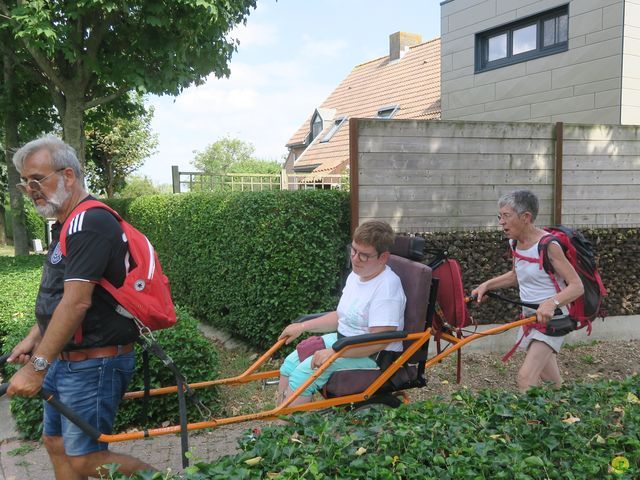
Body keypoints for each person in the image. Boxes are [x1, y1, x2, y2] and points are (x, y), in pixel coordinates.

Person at [7, 136, 154, 479]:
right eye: (25, 182)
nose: (31, 189)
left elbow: (77, 302)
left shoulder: (89, 223)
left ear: (68, 176)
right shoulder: (66, 224)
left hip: (94, 363)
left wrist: (36, 367)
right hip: (66, 359)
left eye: (37, 179)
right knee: (56, 443)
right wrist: (36, 337)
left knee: (85, 458)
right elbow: (62, 295)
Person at [277, 220, 407, 406]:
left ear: (383, 257)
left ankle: (287, 433)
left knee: (303, 375)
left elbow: (380, 341)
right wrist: (302, 327)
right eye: (353, 250)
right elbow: (341, 316)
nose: (355, 259)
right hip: (346, 340)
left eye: (364, 256)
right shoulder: (357, 275)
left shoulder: (387, 287)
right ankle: (276, 423)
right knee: (291, 362)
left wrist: (335, 353)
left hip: (374, 355)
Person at [472, 190, 584, 392]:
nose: (501, 222)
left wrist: (552, 303)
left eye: (506, 216)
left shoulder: (549, 245)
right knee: (551, 381)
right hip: (530, 318)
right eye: (500, 216)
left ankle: (532, 423)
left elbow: (577, 286)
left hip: (553, 319)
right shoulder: (515, 242)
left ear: (526, 217)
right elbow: (516, 275)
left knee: (525, 378)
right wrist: (487, 285)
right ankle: (568, 415)